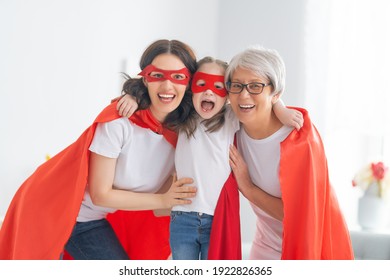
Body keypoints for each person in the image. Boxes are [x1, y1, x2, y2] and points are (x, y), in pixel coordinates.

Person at [0, 39, 198, 260]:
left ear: (190, 83)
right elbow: (100, 194)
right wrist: (164, 200)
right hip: (53, 209)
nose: (167, 86)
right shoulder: (119, 122)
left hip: (89, 218)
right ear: (145, 79)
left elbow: (160, 209)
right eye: (157, 76)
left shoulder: (183, 137)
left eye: (178, 77)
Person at [118, 56, 303, 260]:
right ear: (191, 89)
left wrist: (282, 110)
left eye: (218, 86)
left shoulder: (231, 118)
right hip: (182, 217)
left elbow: (266, 95)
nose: (208, 91)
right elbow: (157, 96)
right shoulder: (181, 116)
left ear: (227, 95)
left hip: (216, 220)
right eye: (202, 84)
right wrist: (133, 97)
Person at [226, 46, 354, 259]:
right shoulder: (229, 129)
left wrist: (248, 188)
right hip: (265, 245)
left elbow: (300, 215)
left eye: (255, 86)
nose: (244, 95)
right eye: (237, 86)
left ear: (276, 93)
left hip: (314, 248)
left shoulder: (300, 139)